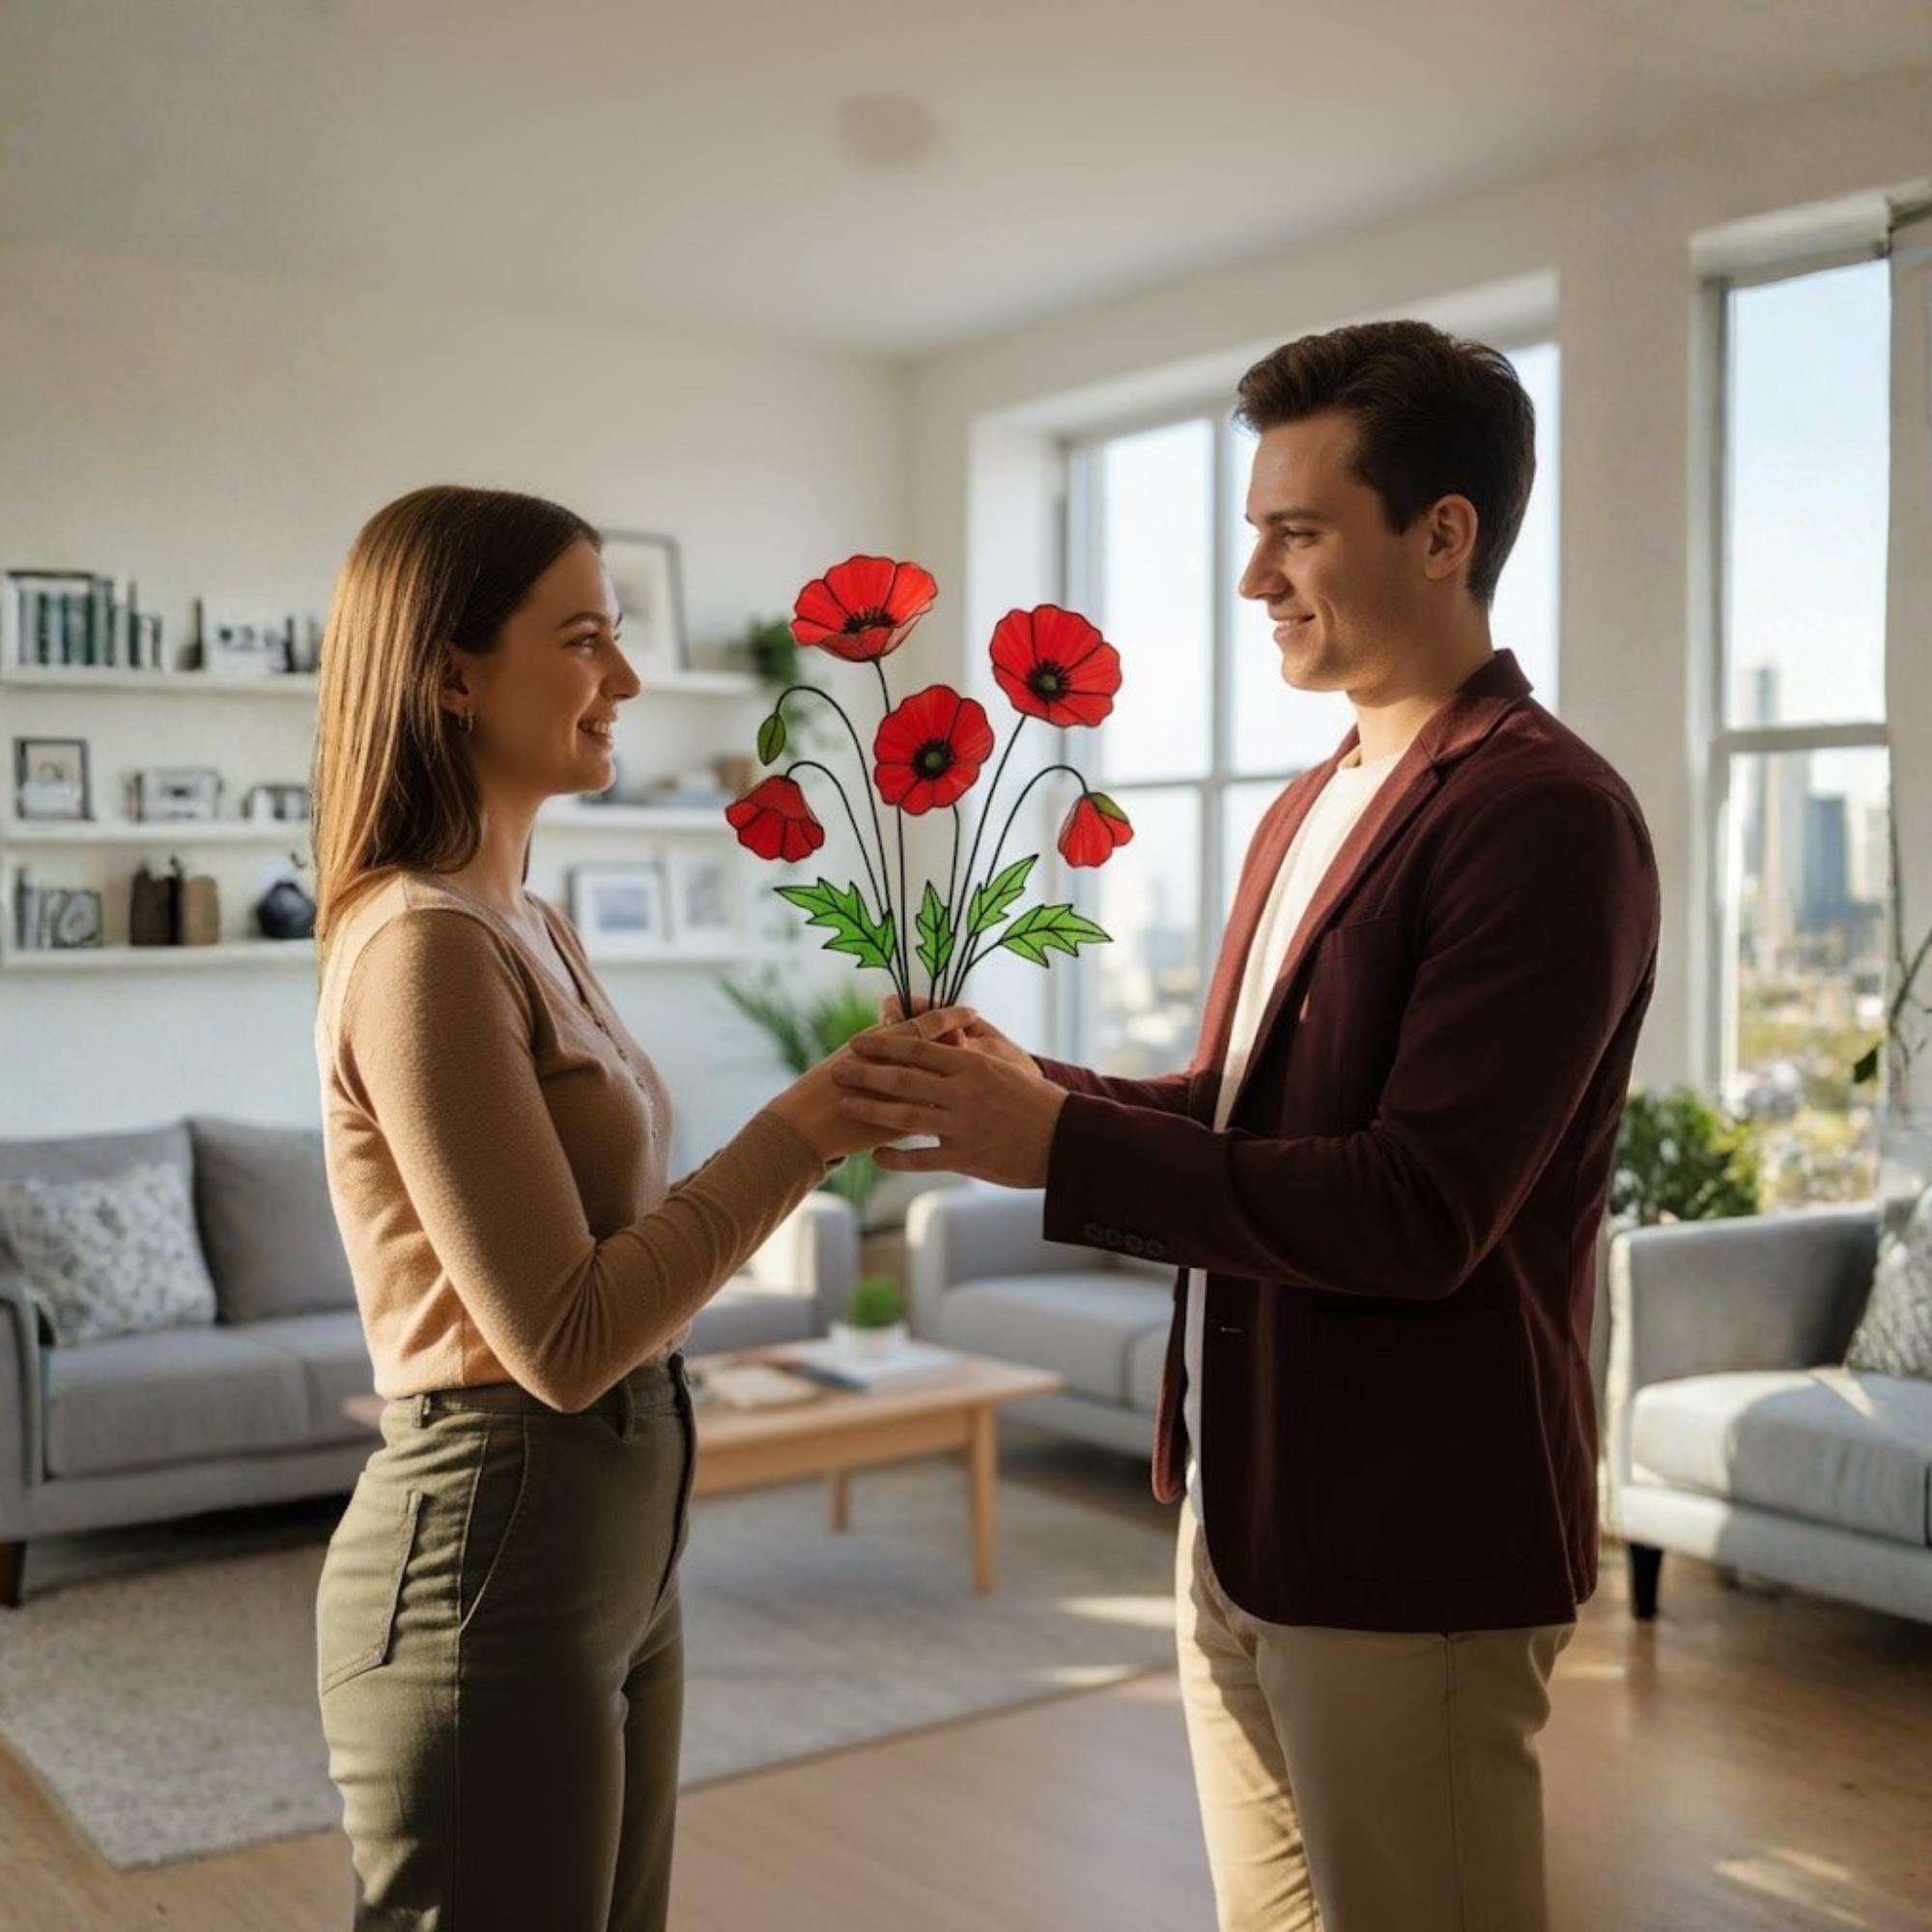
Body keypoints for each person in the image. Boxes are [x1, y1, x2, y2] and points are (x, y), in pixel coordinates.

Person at [837, 322, 1661, 1932]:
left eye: (1297, 532)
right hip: (1244, 1511)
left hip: (1407, 1540)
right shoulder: (1307, 801)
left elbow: (1418, 1207)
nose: (1253, 581)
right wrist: (1027, 1089)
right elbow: (1241, 1120)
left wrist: (1057, 1151)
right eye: (1251, 532)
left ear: (1444, 535)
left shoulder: (1543, 814)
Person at [309, 484, 896, 1929]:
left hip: (621, 1544)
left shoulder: (531, 923)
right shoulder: (424, 951)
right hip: (495, 1554)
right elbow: (563, 1338)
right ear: (452, 671)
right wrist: (808, 1125)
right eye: (584, 640)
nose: (623, 680)